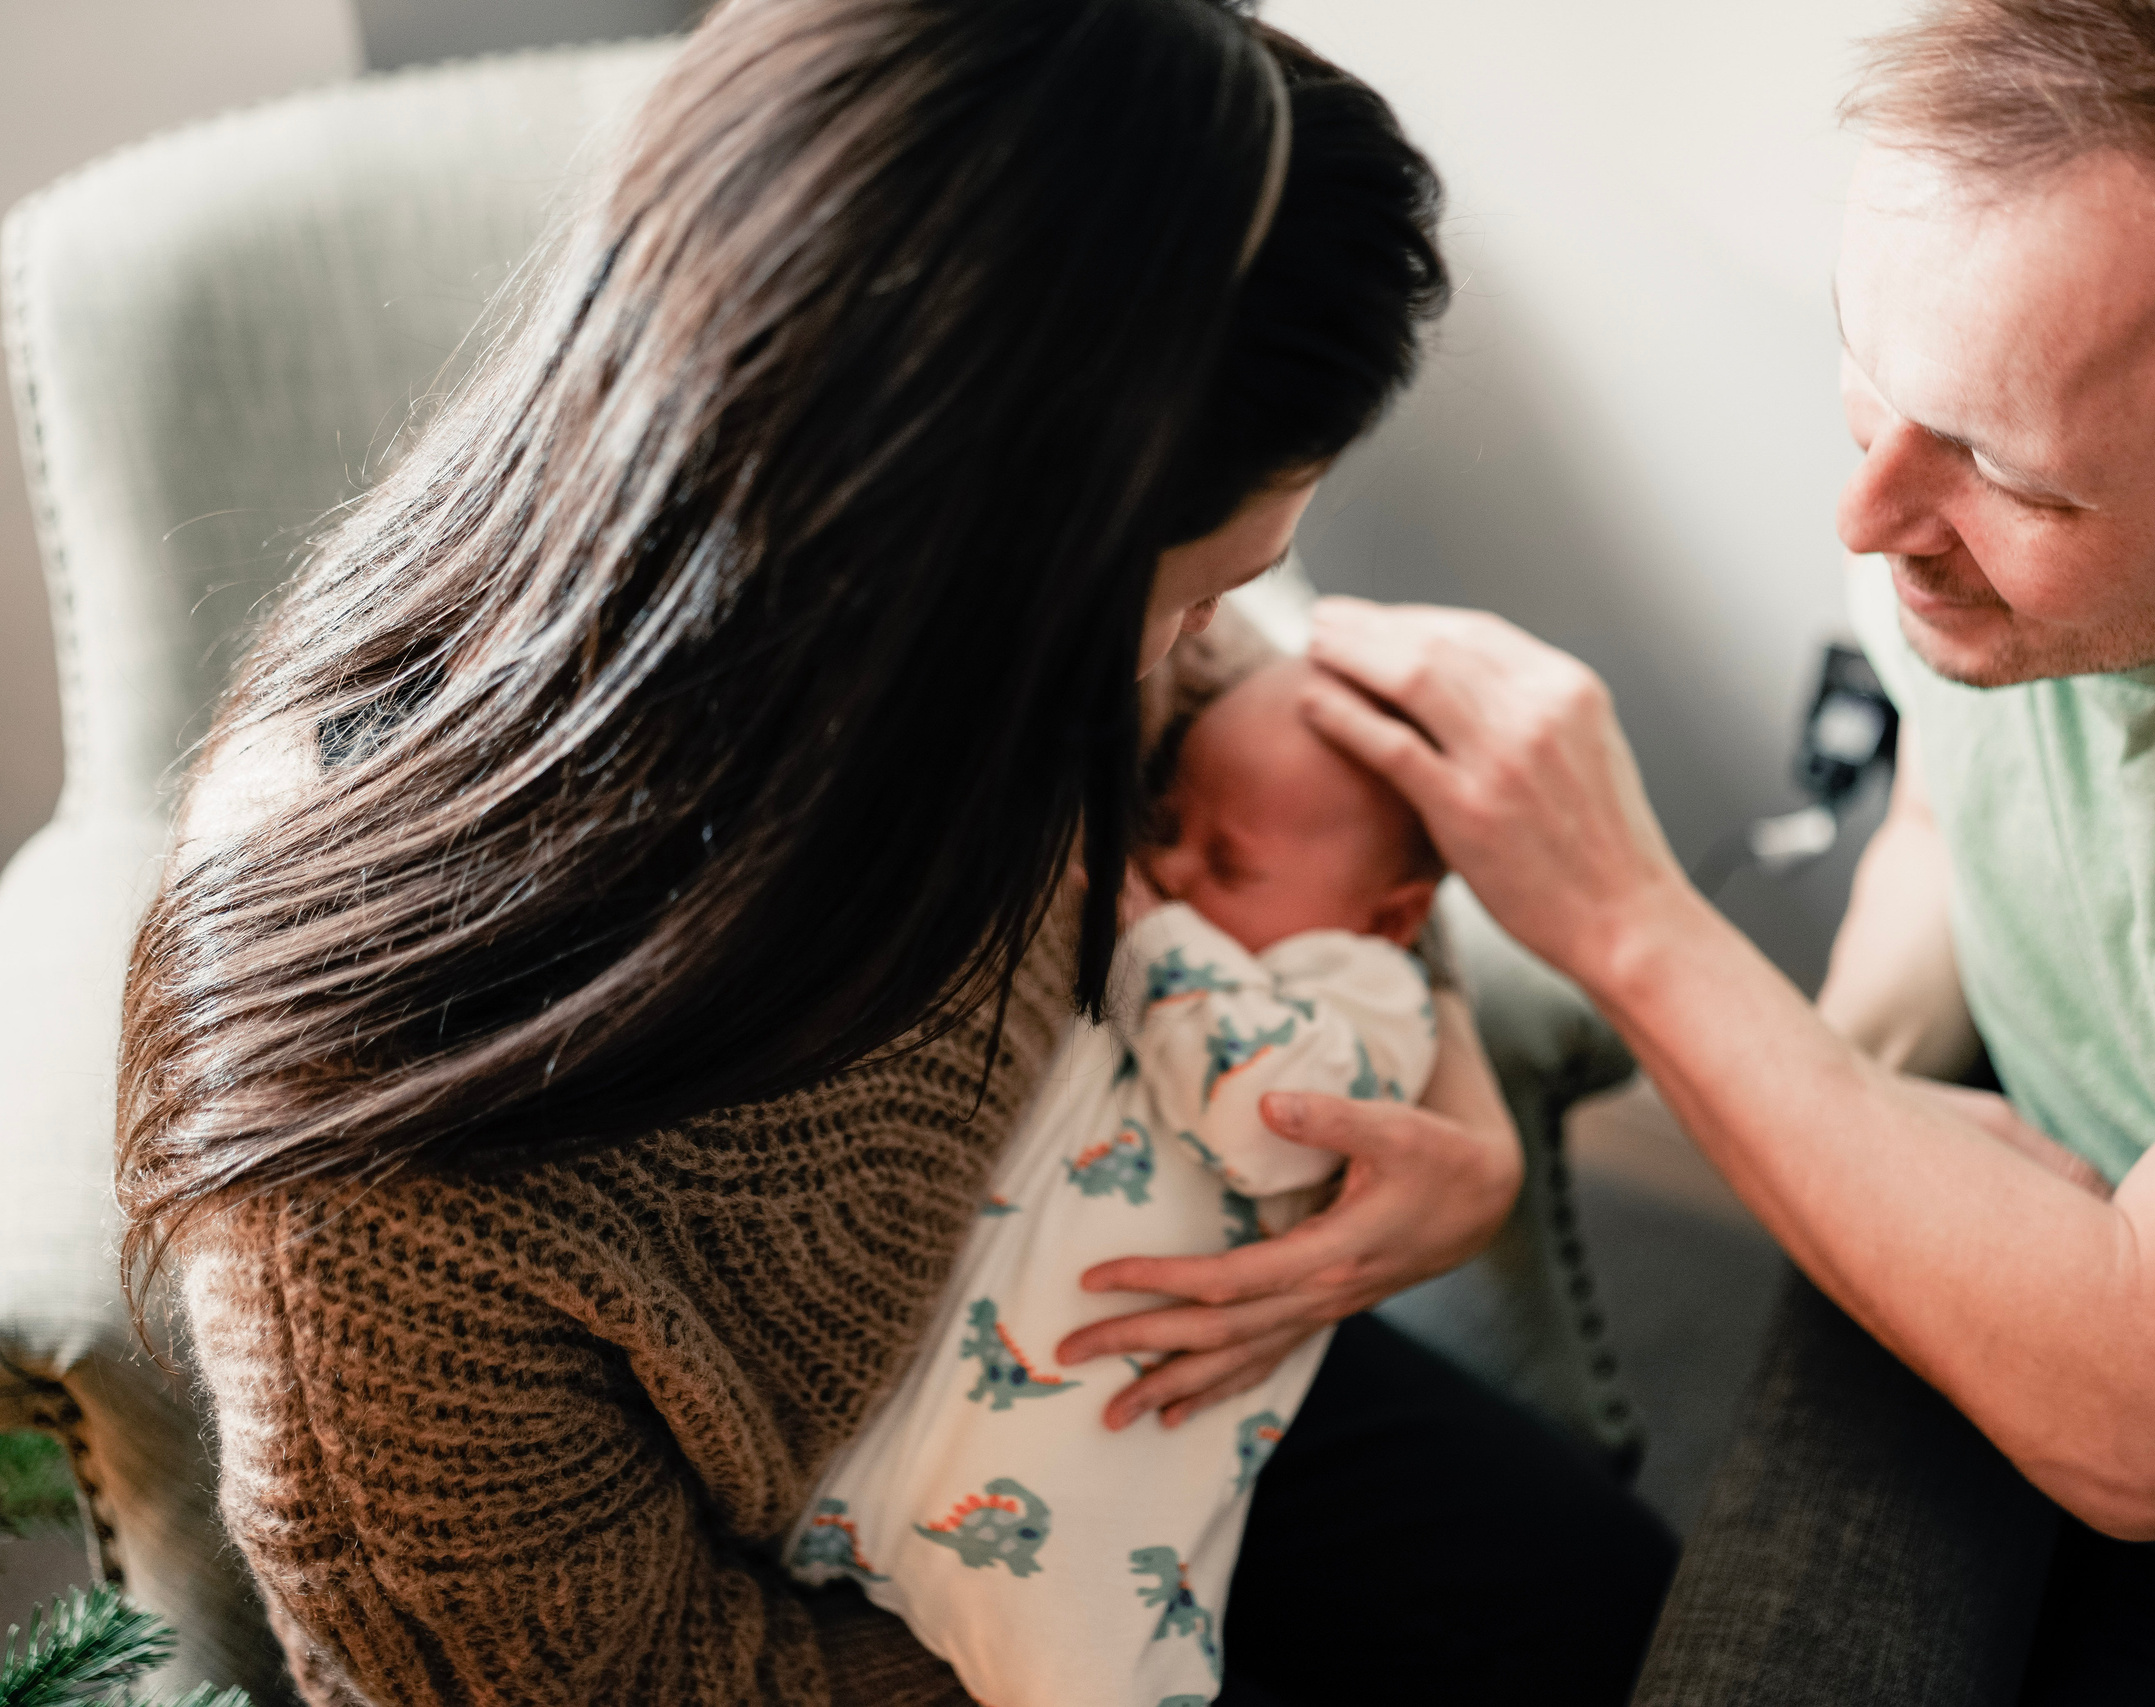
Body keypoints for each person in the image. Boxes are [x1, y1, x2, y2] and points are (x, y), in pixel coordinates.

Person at [116, 3, 1672, 1704]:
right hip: (893, 1623)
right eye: (1192, 589)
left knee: (1638, 1616)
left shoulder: (930, 615)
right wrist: (1077, 1635)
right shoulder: (371, 1195)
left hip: (1122, 1339)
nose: (1217, 639)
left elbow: (1289, 770)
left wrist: (1445, 1101)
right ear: (946, 569)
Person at [1297, 0, 2155, 1700]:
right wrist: (1853, 1089)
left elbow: (2148, 1417)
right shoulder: (1964, 469)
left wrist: (1626, 924)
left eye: (2011, 478)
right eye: (1870, 373)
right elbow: (1951, 814)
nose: (1868, 516)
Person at [786, 657, 1445, 1707]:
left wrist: (1149, 931)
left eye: (1227, 862)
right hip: (901, 1427)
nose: (1172, 868)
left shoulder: (1370, 993)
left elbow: (1275, 1123)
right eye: (1165, 819)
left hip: (1092, 1485)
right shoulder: (1165, 940)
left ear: (1391, 918)